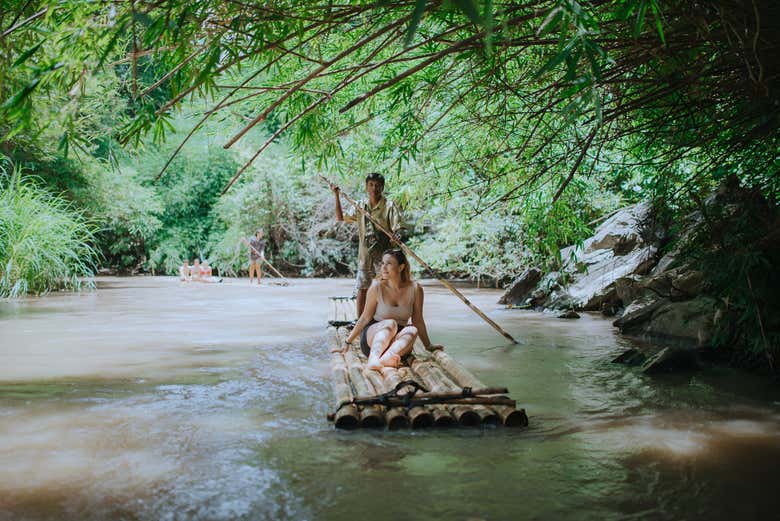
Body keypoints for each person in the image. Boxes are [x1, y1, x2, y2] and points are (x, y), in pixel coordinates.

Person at [344, 249, 442, 371]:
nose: (384, 267)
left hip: (398, 343)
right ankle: (373, 359)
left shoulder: (415, 289)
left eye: (389, 263)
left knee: (412, 329)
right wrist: (348, 342)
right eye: (383, 263)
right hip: (374, 337)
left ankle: (387, 358)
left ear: (401, 267)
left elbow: (418, 320)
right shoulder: (376, 287)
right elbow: (364, 318)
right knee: (391, 323)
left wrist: (428, 345)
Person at [333, 172, 404, 316]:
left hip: (384, 258)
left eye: (377, 185)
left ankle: (384, 319)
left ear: (382, 187)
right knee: (362, 288)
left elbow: (399, 228)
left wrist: (398, 235)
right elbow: (341, 218)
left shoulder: (389, 206)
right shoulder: (359, 206)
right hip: (365, 256)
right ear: (366, 187)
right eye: (371, 185)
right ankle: (360, 321)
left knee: (385, 288)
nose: (374, 188)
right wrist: (336, 196)